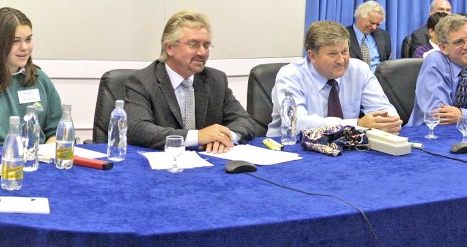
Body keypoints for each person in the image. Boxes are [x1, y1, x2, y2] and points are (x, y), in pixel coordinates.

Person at [126, 10, 264, 152]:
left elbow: (245, 121)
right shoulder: (143, 81)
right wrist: (198, 136)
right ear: (170, 48)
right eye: (194, 44)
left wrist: (224, 137)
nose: (202, 52)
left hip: (209, 161)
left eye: (206, 45)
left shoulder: (216, 79)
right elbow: (137, 129)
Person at [267, 21, 401, 136]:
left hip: (347, 146)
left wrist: (388, 122)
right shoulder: (290, 76)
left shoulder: (359, 70)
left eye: (344, 52)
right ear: (312, 56)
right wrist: (356, 124)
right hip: (290, 148)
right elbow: (296, 124)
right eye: (332, 54)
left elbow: (382, 109)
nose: (341, 60)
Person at [0, 7, 62, 148]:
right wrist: (3, 157)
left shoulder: (39, 78)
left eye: (28, 39)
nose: (24, 47)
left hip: (36, 158)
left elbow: (56, 131)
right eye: (15, 41)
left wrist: (45, 153)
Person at [347, 1, 392, 72]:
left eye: (378, 24)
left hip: (378, 77)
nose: (374, 27)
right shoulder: (343, 35)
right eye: (372, 22)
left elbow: (387, 62)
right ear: (360, 16)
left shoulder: (384, 35)